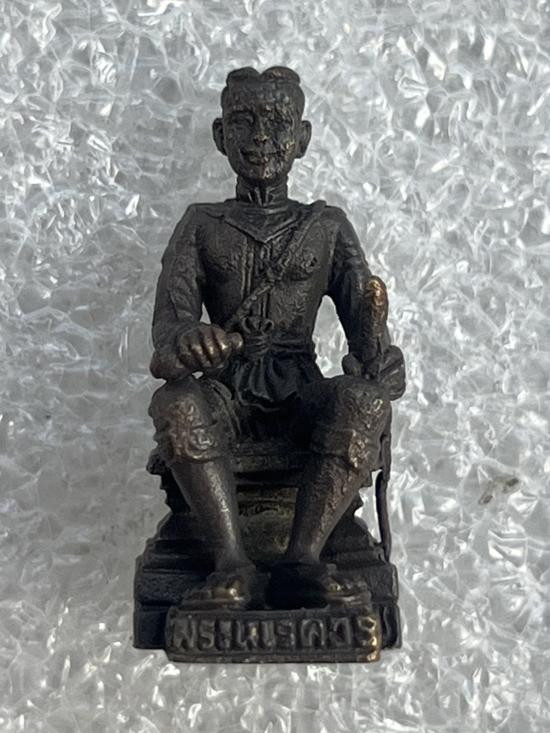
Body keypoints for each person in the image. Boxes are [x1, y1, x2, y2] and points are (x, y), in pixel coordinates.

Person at [148, 66, 405, 610]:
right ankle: (230, 562)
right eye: (244, 122)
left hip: (300, 391)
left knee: (363, 400)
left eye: (277, 123)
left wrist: (381, 360)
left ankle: (303, 558)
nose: (261, 137)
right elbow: (166, 337)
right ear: (221, 136)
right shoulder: (200, 224)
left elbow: (368, 329)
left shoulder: (326, 226)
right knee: (175, 402)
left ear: (302, 138)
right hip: (226, 392)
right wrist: (190, 342)